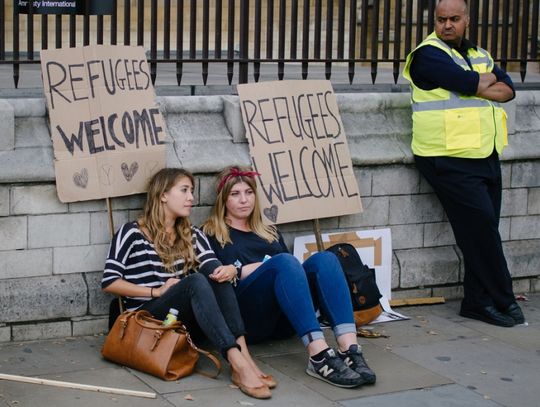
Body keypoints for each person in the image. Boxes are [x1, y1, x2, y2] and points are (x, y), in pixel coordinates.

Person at [403, 0, 525, 327]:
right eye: (441, 19)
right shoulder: (426, 55)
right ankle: (504, 298)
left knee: (482, 230)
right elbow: (471, 84)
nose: (447, 25)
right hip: (445, 157)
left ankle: (476, 302)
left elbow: (508, 89)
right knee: (482, 229)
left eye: (454, 19)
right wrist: (477, 83)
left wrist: (474, 84)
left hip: (484, 153)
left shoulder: (479, 55)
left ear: (467, 19)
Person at [101, 168, 273, 399]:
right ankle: (237, 362)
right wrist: (156, 291)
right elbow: (109, 281)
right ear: (163, 195)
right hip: (144, 318)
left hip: (179, 319)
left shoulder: (190, 233)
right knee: (195, 282)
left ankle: (244, 358)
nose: (191, 197)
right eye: (184, 190)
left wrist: (230, 269)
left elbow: (211, 265)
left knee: (216, 276)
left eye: (191, 191)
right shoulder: (131, 232)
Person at [202, 166, 376, 389]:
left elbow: (289, 273)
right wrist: (254, 267)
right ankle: (318, 355)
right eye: (235, 194)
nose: (244, 200)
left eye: (249, 192)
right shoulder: (210, 234)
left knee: (326, 259)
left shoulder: (269, 231)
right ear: (222, 199)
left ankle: (349, 349)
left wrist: (264, 266)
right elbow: (216, 279)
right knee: (284, 261)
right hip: (248, 319)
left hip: (285, 321)